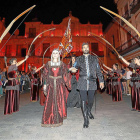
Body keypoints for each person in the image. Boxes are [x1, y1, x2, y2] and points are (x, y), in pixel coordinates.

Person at [69, 42, 104, 128]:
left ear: (89, 48)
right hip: (82, 81)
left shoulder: (94, 58)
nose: (85, 48)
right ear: (82, 49)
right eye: (84, 47)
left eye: (87, 47)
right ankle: (86, 120)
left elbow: (98, 70)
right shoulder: (79, 59)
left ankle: (88, 111)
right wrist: (72, 70)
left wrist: (101, 81)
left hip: (92, 81)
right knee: (83, 100)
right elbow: (75, 67)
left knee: (91, 100)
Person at [42, 49, 71, 127]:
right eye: (54, 53)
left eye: (56, 53)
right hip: (50, 85)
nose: (55, 54)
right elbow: (45, 75)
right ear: (52, 54)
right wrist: (45, 85)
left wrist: (68, 84)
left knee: (58, 102)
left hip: (59, 85)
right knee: (50, 102)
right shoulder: (48, 64)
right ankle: (48, 119)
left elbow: (65, 74)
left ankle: (58, 117)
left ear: (59, 55)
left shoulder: (62, 64)